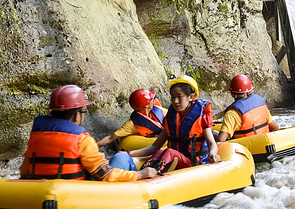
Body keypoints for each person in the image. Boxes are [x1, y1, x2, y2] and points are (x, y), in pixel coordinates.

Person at [20, 85, 158, 181]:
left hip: (40, 192)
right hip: (78, 194)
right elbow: (105, 174)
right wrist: (140, 175)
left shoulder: (36, 134)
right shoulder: (82, 139)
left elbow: (25, 171)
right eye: (83, 112)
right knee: (122, 158)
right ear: (76, 116)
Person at [128, 75, 220, 172]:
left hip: (194, 163)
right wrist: (129, 154)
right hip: (176, 159)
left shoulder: (201, 117)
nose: (175, 101)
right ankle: (144, 173)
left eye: (179, 97)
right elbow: (154, 147)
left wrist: (213, 153)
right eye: (173, 97)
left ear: (191, 97)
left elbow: (211, 143)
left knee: (169, 152)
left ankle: (154, 173)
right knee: (159, 152)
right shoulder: (171, 117)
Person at [216, 75, 279, 142]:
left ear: (232, 94)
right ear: (248, 93)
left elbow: (221, 139)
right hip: (265, 143)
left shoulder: (231, 113)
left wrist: (214, 134)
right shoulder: (260, 104)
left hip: (246, 148)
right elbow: (275, 127)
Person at [96, 89, 166, 148]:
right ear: (146, 105)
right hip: (142, 141)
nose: (153, 100)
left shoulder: (158, 110)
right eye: (151, 99)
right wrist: (91, 147)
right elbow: (110, 138)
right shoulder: (131, 125)